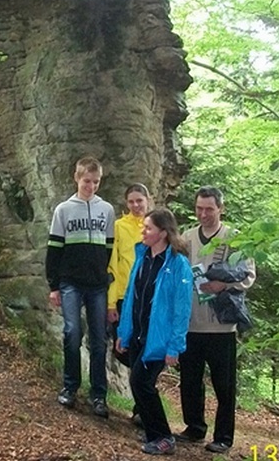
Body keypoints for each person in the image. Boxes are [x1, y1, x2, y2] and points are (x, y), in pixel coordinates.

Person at [176, 186, 256, 454]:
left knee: (224, 384)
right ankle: (194, 427)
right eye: (199, 208)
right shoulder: (187, 237)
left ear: (220, 208)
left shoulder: (234, 237)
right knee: (190, 379)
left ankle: (223, 436)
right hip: (191, 323)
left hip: (222, 325)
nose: (203, 214)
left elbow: (248, 274)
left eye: (209, 209)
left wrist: (224, 286)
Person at [116, 208, 193, 456]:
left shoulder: (178, 264)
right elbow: (131, 298)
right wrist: (123, 332)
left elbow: (182, 310)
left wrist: (174, 347)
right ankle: (154, 433)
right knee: (139, 383)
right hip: (138, 334)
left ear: (163, 232)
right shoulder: (142, 256)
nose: (143, 231)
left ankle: (163, 437)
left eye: (148, 227)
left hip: (158, 339)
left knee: (140, 382)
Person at [46, 156, 115, 418]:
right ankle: (70, 387)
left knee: (99, 339)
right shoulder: (63, 210)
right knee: (72, 332)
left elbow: (109, 247)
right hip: (70, 282)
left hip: (97, 284)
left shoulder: (106, 210)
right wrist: (54, 285)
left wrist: (102, 272)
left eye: (96, 182)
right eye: (87, 181)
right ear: (77, 178)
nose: (91, 186)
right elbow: (54, 249)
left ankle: (99, 395)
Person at [107, 183, 150, 426]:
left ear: (147, 200)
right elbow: (112, 265)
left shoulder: (155, 225)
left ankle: (141, 407)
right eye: (131, 201)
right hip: (124, 297)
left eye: (139, 201)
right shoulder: (119, 227)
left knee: (145, 351)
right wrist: (111, 303)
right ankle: (142, 401)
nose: (136, 205)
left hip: (149, 299)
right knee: (123, 349)